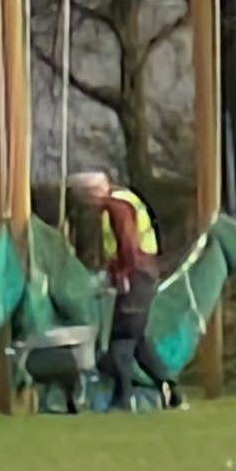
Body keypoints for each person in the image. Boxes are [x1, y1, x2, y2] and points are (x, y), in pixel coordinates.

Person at [67, 169, 168, 410]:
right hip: (145, 272)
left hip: (137, 275)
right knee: (138, 339)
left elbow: (128, 245)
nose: (86, 205)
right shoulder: (124, 199)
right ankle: (169, 387)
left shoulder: (116, 208)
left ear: (92, 194)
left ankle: (123, 400)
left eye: (83, 198)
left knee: (121, 339)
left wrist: (121, 275)